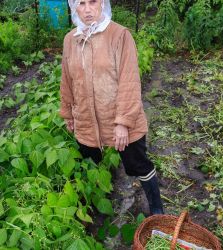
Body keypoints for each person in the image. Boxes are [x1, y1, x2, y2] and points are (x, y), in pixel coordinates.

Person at [59, 0, 164, 215]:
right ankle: (92, 212)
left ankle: (157, 209)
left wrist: (123, 123)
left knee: (137, 164)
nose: (87, 9)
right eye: (81, 3)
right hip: (86, 118)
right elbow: (66, 79)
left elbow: (130, 81)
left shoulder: (119, 35)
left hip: (119, 119)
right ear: (74, 8)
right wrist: (68, 113)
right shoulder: (71, 40)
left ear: (102, 4)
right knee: (89, 164)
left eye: (93, 2)